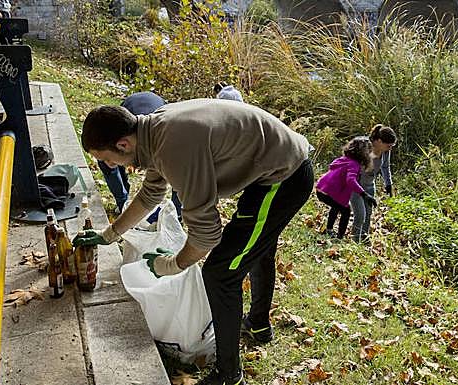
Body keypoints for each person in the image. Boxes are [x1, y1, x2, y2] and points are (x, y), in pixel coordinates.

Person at [73, 99, 313, 385]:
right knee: (254, 250)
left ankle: (228, 375)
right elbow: (151, 194)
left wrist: (172, 265)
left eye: (107, 159)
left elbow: (207, 234)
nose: (110, 166)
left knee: (220, 273)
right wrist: (109, 234)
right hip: (269, 168)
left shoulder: (174, 148)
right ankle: (259, 326)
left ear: (123, 144)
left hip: (284, 175)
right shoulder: (153, 130)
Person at [98, 92, 172, 215]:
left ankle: (177, 212)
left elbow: (154, 190)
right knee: (112, 159)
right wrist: (123, 204)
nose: (109, 163)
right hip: (130, 105)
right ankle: (122, 201)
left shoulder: (162, 140)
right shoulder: (116, 136)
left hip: (158, 109)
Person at [316, 137, 374, 239]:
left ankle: (329, 230)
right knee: (346, 211)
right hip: (328, 192)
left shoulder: (343, 159)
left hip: (321, 189)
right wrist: (364, 194)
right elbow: (350, 180)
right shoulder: (354, 164)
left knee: (338, 205)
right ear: (364, 153)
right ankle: (339, 238)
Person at [349, 124, 397, 242]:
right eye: (389, 145)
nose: (390, 148)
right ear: (379, 141)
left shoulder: (385, 152)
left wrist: (388, 184)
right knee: (360, 214)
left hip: (370, 185)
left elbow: (385, 167)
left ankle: (364, 239)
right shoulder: (363, 146)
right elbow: (347, 163)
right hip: (355, 185)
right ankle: (355, 240)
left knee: (368, 214)